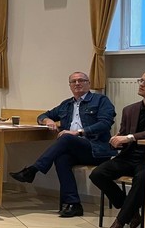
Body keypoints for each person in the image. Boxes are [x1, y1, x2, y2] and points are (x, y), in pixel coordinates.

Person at [9, 71, 116, 217]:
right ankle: (73, 204)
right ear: (70, 86)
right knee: (61, 158)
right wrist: (48, 120)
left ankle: (33, 170)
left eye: (81, 80)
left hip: (96, 149)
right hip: (76, 150)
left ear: (88, 83)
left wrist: (78, 132)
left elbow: (105, 123)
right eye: (73, 81)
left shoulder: (101, 100)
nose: (77, 83)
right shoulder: (66, 105)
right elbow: (42, 116)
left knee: (66, 138)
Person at [89, 69, 145, 228]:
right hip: (129, 156)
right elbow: (123, 134)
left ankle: (119, 224)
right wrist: (117, 140)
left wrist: (130, 137)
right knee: (98, 174)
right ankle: (131, 212)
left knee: (143, 178)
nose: (142, 84)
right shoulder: (130, 110)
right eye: (141, 80)